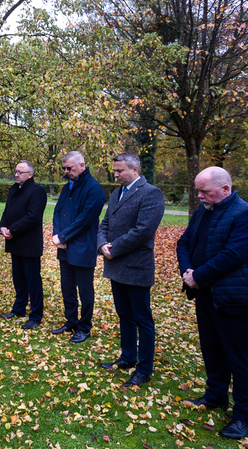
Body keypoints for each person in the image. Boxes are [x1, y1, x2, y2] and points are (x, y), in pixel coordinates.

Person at [176, 166, 248, 440]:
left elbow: (233, 255)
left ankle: (243, 416)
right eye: (198, 190)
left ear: (225, 189)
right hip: (206, 295)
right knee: (212, 349)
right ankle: (215, 396)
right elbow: (184, 242)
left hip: (235, 298)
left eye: (205, 191)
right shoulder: (203, 211)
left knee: (237, 356)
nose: (200, 195)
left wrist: (199, 276)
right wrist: (188, 272)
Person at [96, 152, 164, 388]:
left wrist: (114, 248)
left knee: (142, 319)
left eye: (119, 171)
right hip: (116, 265)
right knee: (124, 314)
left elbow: (143, 231)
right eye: (114, 171)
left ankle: (144, 369)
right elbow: (104, 224)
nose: (115, 175)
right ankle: (127, 358)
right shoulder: (116, 193)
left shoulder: (151, 193)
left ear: (135, 169)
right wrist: (101, 244)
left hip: (135, 267)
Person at [50, 151, 105, 343]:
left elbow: (85, 219)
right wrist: (58, 236)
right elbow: (57, 212)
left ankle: (85, 327)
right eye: (64, 168)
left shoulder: (94, 189)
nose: (66, 171)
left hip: (83, 247)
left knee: (85, 290)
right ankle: (71, 321)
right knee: (67, 287)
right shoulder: (67, 188)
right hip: (64, 247)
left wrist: (64, 236)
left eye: (69, 168)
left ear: (82, 165)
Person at [0, 160, 48, 330]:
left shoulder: (37, 192)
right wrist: (2, 227)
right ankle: (19, 308)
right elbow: (7, 212)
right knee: (18, 279)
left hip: (29, 243)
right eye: (16, 172)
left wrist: (13, 229)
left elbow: (32, 217)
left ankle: (36, 315)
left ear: (30, 175)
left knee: (33, 280)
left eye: (20, 172)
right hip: (15, 242)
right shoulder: (14, 190)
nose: (17, 175)